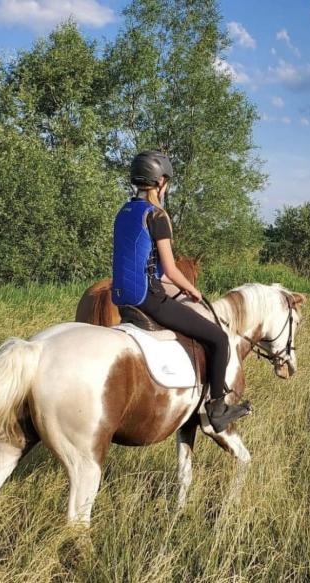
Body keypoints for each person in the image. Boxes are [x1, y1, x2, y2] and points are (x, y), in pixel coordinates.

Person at [112, 150, 251, 433]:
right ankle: (217, 408)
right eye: (167, 182)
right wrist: (193, 291)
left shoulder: (124, 212)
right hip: (149, 300)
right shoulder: (156, 215)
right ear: (161, 181)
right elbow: (171, 270)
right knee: (219, 338)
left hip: (122, 298)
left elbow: (141, 263)